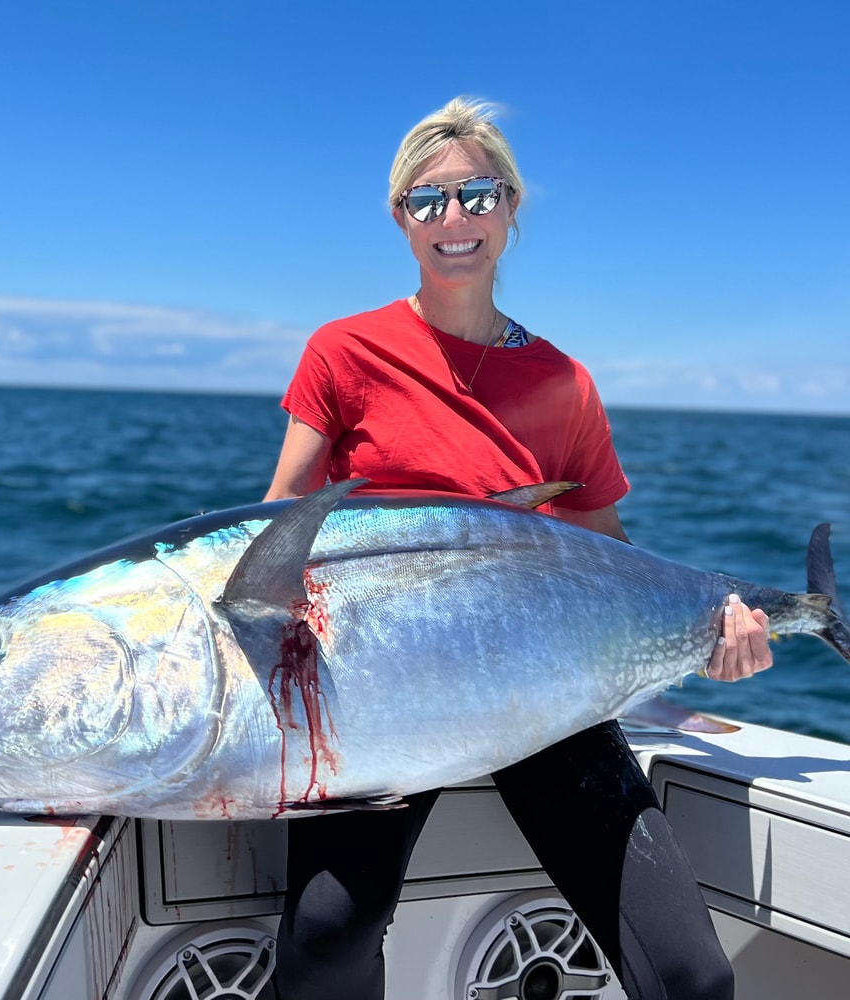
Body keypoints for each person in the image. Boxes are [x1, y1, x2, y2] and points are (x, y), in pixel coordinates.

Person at [264, 97, 773, 1000]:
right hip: (384, 694)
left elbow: (607, 555)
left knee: (691, 978)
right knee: (326, 939)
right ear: (399, 218)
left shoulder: (564, 382)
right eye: (428, 201)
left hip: (543, 693)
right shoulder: (343, 351)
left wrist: (707, 640)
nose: (453, 220)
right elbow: (274, 532)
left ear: (510, 209)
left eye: (477, 195)